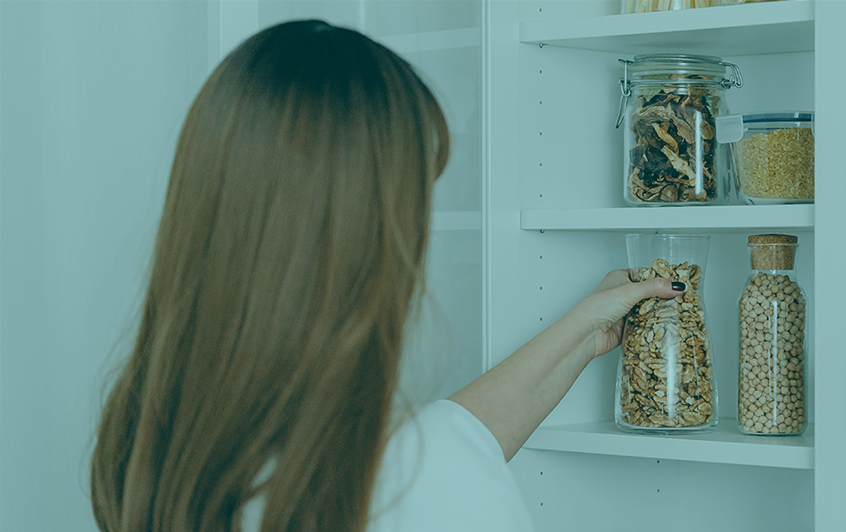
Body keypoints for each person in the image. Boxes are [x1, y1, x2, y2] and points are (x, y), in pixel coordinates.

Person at [89, 19, 684, 532]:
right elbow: (426, 466)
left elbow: (441, 442)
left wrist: (583, 332)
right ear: (370, 235)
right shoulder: (424, 481)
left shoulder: (151, 453)